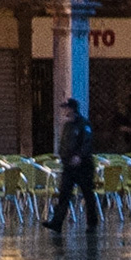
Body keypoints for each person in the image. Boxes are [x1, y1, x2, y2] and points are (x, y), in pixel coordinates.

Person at [43, 97, 98, 233]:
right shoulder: (68, 126)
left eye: (66, 108)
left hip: (83, 167)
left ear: (72, 109)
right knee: (64, 194)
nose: (65, 111)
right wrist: (63, 157)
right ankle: (57, 222)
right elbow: (63, 144)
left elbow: (87, 142)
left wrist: (79, 156)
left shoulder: (84, 124)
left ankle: (92, 223)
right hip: (69, 167)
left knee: (87, 194)